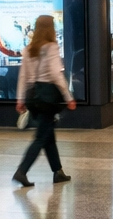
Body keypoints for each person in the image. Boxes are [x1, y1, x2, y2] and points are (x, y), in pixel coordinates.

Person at [13, 14, 75, 187]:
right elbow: (56, 74)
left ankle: (58, 171)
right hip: (47, 97)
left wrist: (20, 99)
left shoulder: (28, 49)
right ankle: (21, 171)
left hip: (33, 97)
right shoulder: (51, 47)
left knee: (48, 136)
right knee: (41, 137)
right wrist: (68, 96)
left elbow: (23, 76)